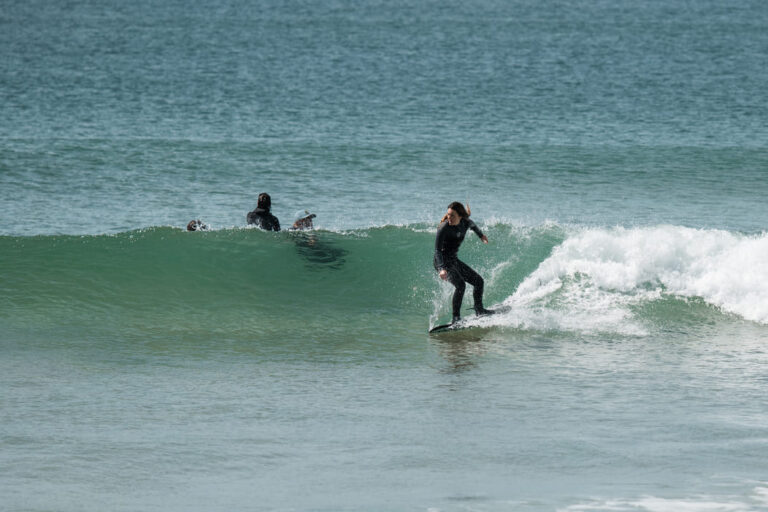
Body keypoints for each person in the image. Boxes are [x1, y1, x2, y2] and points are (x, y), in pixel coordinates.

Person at [434, 201, 493, 324]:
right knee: (461, 285)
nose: (449, 218)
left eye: (452, 215)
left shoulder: (465, 223)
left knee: (479, 281)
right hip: (442, 262)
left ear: (460, 216)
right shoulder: (443, 227)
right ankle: (456, 318)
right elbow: (437, 251)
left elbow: (473, 225)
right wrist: (441, 269)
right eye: (448, 215)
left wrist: (481, 235)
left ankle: (479, 310)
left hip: (453, 260)